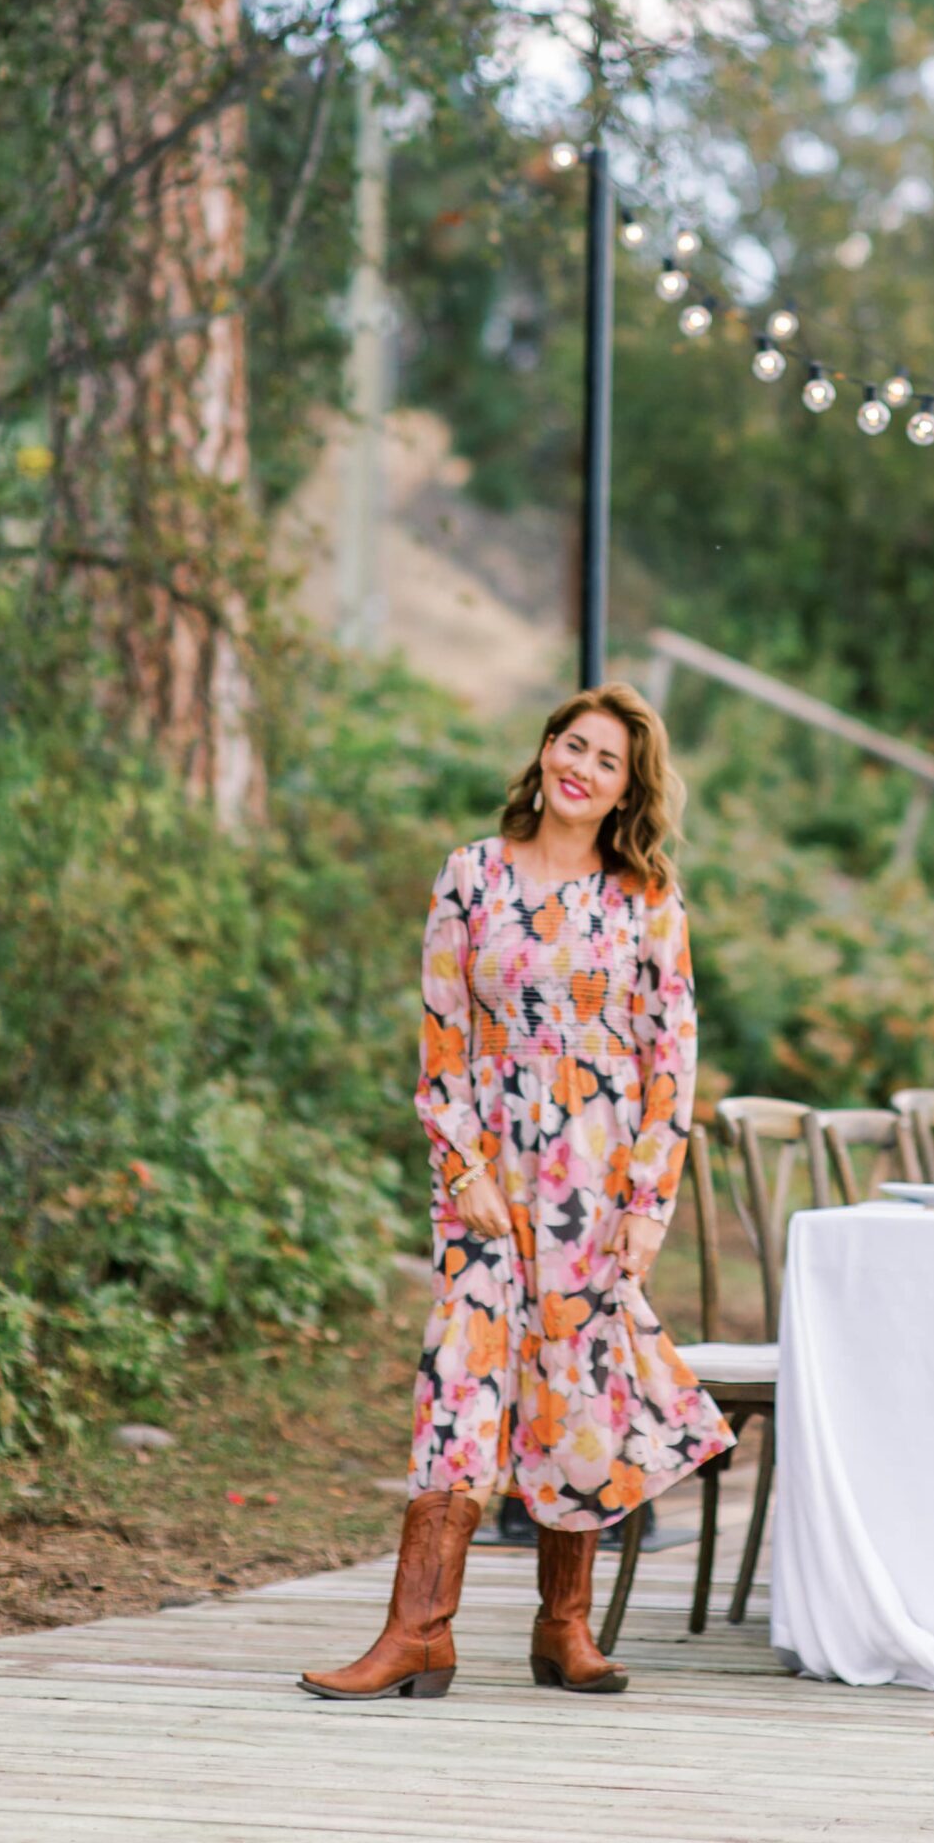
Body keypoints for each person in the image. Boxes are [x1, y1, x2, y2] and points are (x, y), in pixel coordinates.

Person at [302, 682, 732, 1702]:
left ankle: (563, 1628)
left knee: (575, 1392)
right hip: (489, 1177)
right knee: (458, 1382)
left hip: (595, 1178)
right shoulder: (471, 876)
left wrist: (645, 1208)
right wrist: (463, 1168)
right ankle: (419, 1633)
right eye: (570, 744)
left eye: (607, 760)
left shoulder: (646, 899)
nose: (581, 767)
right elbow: (443, 1039)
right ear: (545, 751)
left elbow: (671, 1061)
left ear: (629, 788)